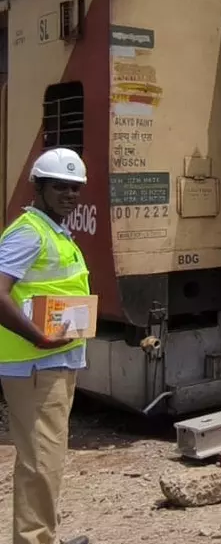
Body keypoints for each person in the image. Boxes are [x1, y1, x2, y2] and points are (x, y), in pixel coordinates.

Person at [0, 148, 93, 544]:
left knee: (46, 459)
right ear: (38, 187)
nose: (69, 195)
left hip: (52, 364)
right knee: (42, 461)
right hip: (36, 366)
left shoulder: (54, 231)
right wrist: (37, 337)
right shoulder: (29, 231)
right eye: (60, 187)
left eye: (75, 188)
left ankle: (41, 537)